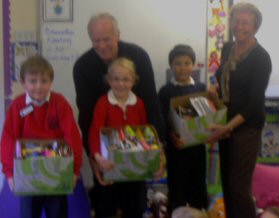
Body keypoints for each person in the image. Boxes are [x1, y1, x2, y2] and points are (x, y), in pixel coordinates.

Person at [207, 2, 272, 218]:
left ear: (255, 27)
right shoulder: (227, 48)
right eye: (236, 21)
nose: (239, 26)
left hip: (246, 127)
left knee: (238, 186)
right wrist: (213, 90)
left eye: (246, 22)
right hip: (225, 122)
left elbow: (254, 105)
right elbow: (220, 78)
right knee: (226, 183)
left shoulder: (261, 57)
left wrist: (227, 127)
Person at [0, 55, 83, 218]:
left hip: (57, 169)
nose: (38, 87)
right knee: (30, 212)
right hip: (27, 171)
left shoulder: (60, 103)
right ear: (23, 82)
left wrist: (74, 170)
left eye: (44, 81)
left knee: (58, 212)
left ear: (51, 82)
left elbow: (72, 137)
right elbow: (8, 140)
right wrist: (9, 173)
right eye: (32, 81)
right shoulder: (18, 105)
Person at [73, 12, 165, 155]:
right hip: (105, 151)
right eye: (96, 40)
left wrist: (159, 147)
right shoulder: (82, 67)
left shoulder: (139, 57)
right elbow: (86, 116)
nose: (102, 46)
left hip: (140, 148)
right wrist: (93, 155)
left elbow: (151, 103)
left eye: (107, 39)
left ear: (118, 36)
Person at [88, 57, 154, 217]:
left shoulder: (139, 104)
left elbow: (144, 133)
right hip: (109, 164)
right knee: (107, 208)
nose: (121, 84)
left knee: (134, 208)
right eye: (116, 79)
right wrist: (98, 157)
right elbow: (95, 132)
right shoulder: (103, 103)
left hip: (134, 167)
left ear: (134, 80)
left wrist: (149, 156)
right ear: (109, 80)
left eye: (126, 79)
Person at [158, 45, 208, 214]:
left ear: (193, 65)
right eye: (178, 63)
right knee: (177, 188)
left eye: (187, 63)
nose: (183, 67)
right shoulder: (165, 91)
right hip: (176, 150)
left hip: (197, 148)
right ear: (171, 66)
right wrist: (170, 136)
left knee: (198, 187)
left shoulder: (201, 88)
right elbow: (162, 121)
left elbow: (206, 117)